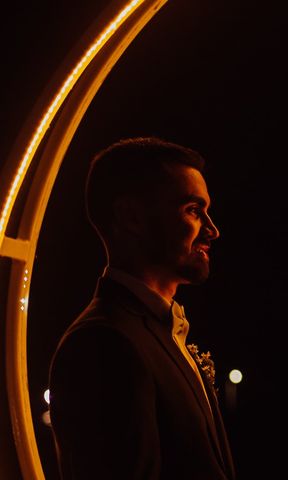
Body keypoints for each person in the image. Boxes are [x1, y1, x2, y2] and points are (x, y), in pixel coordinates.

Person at [48, 137, 236, 479]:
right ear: (131, 217)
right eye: (193, 210)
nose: (213, 230)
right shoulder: (103, 342)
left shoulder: (155, 332)